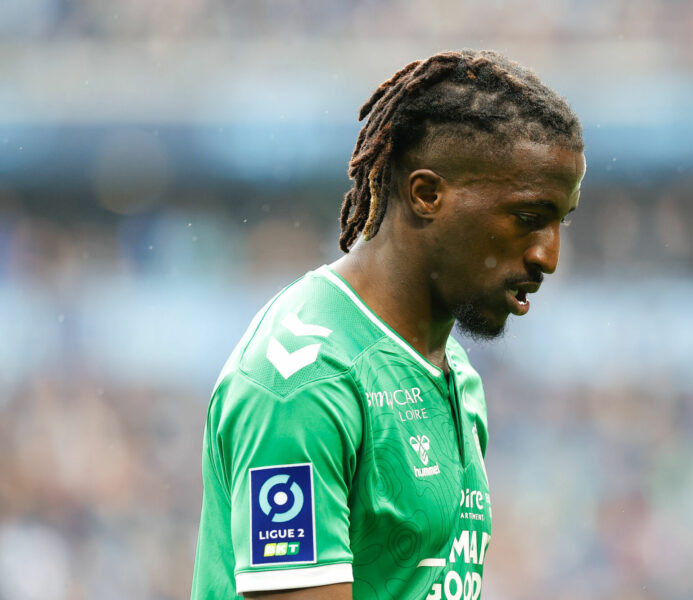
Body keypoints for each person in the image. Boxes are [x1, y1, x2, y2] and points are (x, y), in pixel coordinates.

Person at [191, 49, 585, 599]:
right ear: (427, 195)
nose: (549, 256)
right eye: (528, 218)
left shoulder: (454, 375)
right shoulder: (304, 383)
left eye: (560, 222)